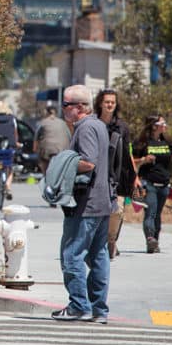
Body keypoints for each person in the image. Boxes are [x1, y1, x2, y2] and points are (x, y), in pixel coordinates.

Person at [52, 84, 110, 323]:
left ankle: (78, 306)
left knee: (71, 255)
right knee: (98, 256)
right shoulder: (99, 126)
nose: (63, 109)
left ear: (79, 107)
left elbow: (88, 162)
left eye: (65, 105)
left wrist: (62, 166)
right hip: (102, 203)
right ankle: (98, 310)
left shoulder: (85, 128)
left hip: (85, 204)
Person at [132, 114, 172, 254]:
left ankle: (155, 241)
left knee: (157, 213)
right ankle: (150, 239)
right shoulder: (142, 142)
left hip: (164, 183)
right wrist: (144, 160)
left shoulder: (167, 141)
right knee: (151, 211)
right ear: (154, 126)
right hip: (147, 182)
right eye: (162, 123)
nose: (165, 125)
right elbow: (132, 161)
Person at [93, 89, 137, 260]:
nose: (110, 104)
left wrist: (135, 176)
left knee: (117, 211)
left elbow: (128, 152)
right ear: (100, 103)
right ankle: (98, 243)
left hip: (117, 175)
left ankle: (111, 241)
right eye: (107, 102)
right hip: (97, 175)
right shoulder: (94, 123)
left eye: (112, 102)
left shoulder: (122, 127)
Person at [0, 100, 20, 199]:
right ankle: (8, 187)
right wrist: (16, 143)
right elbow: (15, 133)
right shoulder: (12, 119)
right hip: (9, 146)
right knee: (9, 168)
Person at [34, 104, 71, 177]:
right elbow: (69, 137)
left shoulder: (42, 123)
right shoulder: (63, 123)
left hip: (47, 151)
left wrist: (35, 149)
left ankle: (46, 176)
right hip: (62, 150)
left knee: (43, 161)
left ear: (47, 113)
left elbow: (36, 138)